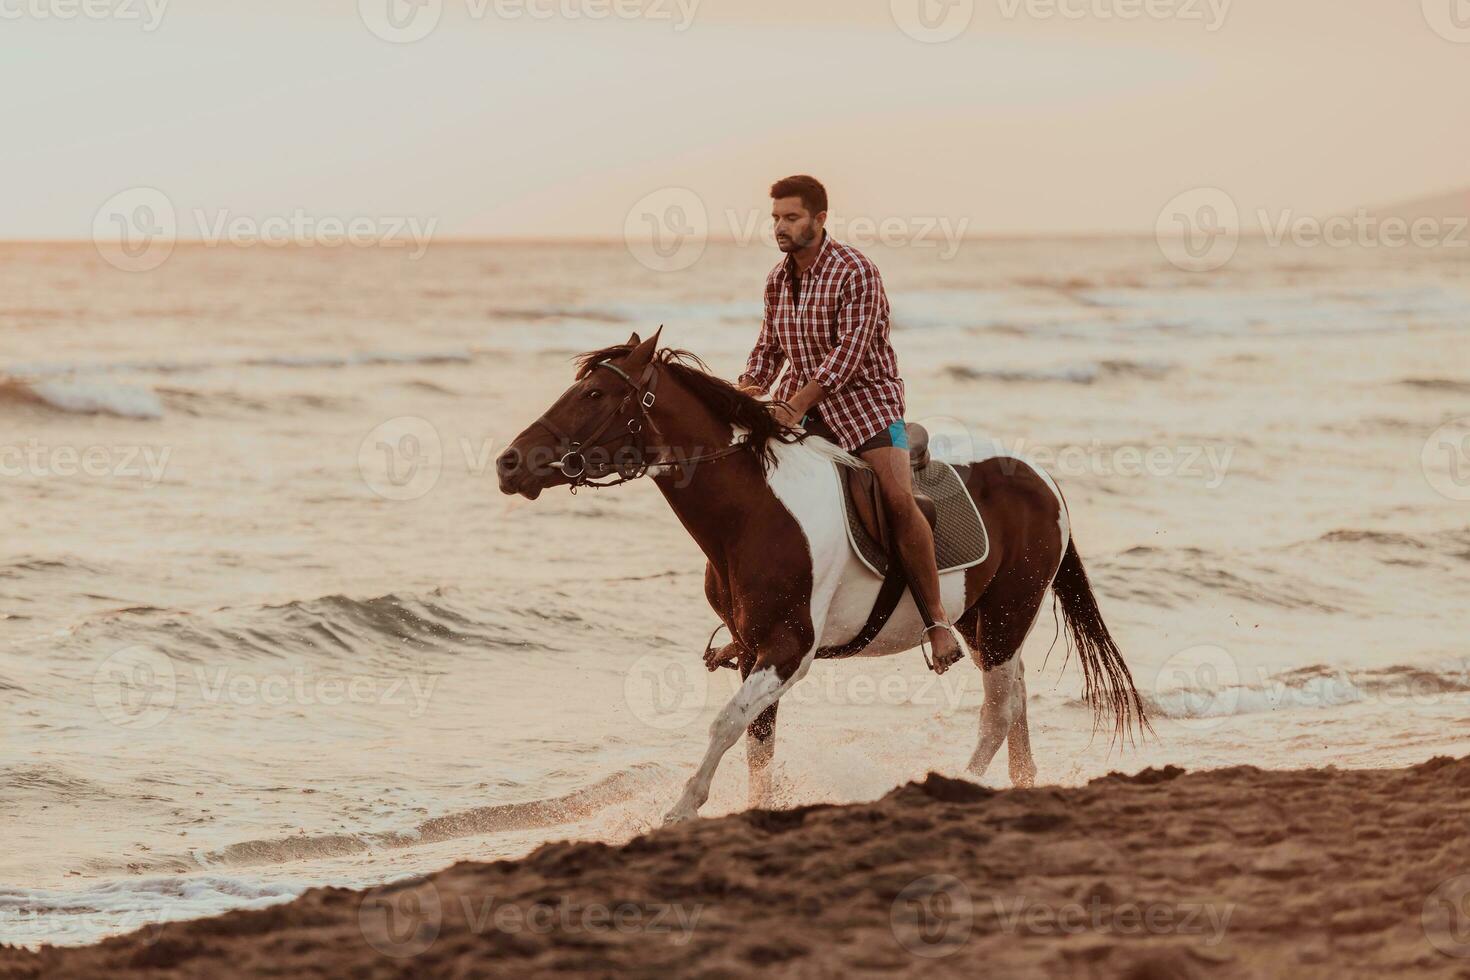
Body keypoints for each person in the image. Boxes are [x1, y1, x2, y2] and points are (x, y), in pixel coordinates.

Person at [737, 175, 967, 672]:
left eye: (791, 217)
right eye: (775, 217)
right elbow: (768, 349)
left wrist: (795, 405)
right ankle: (754, 622)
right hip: (807, 408)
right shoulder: (778, 279)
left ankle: (936, 621)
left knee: (898, 499)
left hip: (870, 406)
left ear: (820, 220)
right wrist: (739, 396)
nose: (780, 226)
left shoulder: (856, 270)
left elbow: (851, 352)